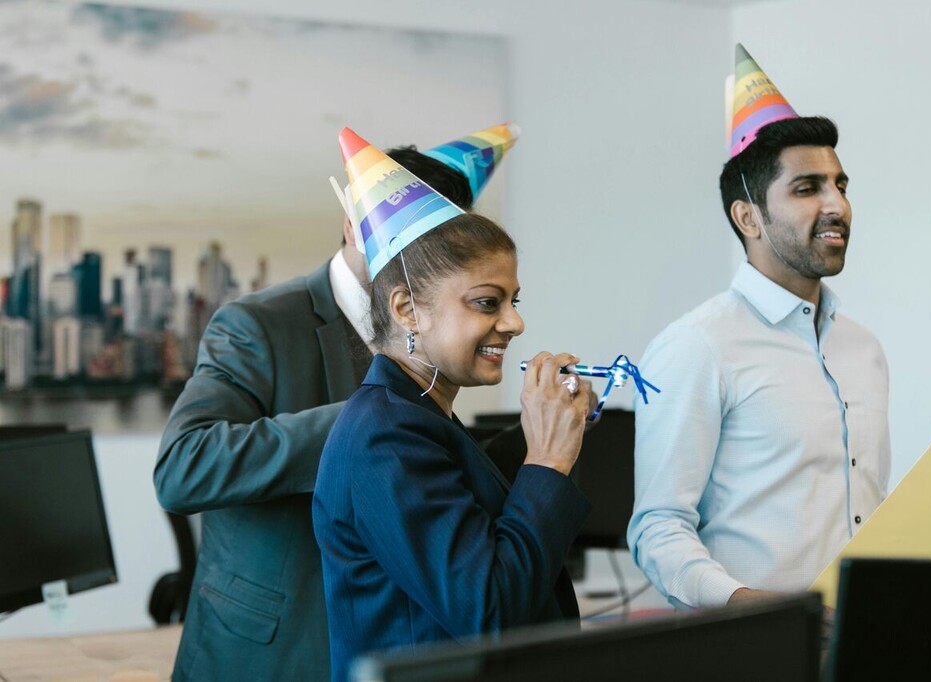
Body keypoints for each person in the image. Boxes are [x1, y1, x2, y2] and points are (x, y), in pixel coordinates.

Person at [154, 123, 518, 681]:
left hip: (387, 642)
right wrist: (369, 419)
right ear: (354, 225)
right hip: (268, 651)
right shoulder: (255, 325)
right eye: (421, 240)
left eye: (451, 245)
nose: (436, 261)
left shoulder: (438, 328)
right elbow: (184, 467)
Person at [313, 128, 593, 680]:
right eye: (488, 302)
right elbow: (488, 609)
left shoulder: (419, 414)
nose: (515, 323)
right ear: (407, 309)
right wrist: (548, 461)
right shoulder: (384, 436)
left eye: (514, 301)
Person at [628, 44, 891, 611]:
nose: (837, 205)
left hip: (861, 641)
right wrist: (745, 605)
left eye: (840, 185)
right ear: (747, 217)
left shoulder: (862, 348)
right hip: (751, 650)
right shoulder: (697, 347)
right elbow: (658, 528)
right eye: (807, 188)